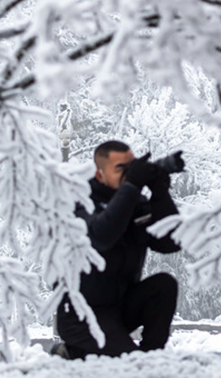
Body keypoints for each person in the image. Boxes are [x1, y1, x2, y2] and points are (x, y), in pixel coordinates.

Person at [54, 140, 182, 359]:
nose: (128, 175)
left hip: (120, 308)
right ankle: (73, 350)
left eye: (131, 168)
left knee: (164, 285)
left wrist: (159, 191)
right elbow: (102, 236)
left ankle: (152, 356)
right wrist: (132, 186)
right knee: (127, 362)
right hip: (82, 315)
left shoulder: (135, 202)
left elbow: (170, 243)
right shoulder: (79, 202)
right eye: (120, 169)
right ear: (99, 173)